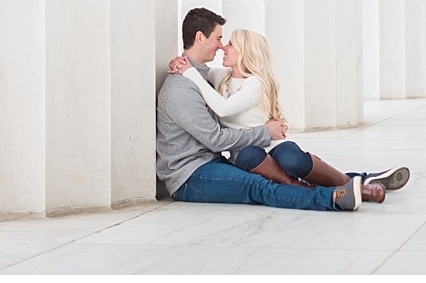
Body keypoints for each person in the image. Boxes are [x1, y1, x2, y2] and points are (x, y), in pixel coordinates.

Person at [168, 26, 410, 203]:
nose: (223, 47)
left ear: (245, 52)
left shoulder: (255, 83)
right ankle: (351, 186)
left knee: (294, 162)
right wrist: (181, 64)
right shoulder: (219, 77)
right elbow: (200, 71)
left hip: (271, 143)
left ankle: (355, 184)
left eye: (230, 43)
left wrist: (189, 73)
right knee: (250, 158)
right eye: (223, 40)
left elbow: (222, 107)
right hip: (247, 149)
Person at [157, 8, 359, 212]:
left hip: (211, 163)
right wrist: (265, 132)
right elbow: (215, 139)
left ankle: (357, 184)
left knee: (278, 171)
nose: (221, 46)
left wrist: (184, 64)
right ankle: (333, 198)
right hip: (189, 176)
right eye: (218, 38)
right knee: (260, 186)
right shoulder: (181, 88)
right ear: (200, 37)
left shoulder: (202, 76)